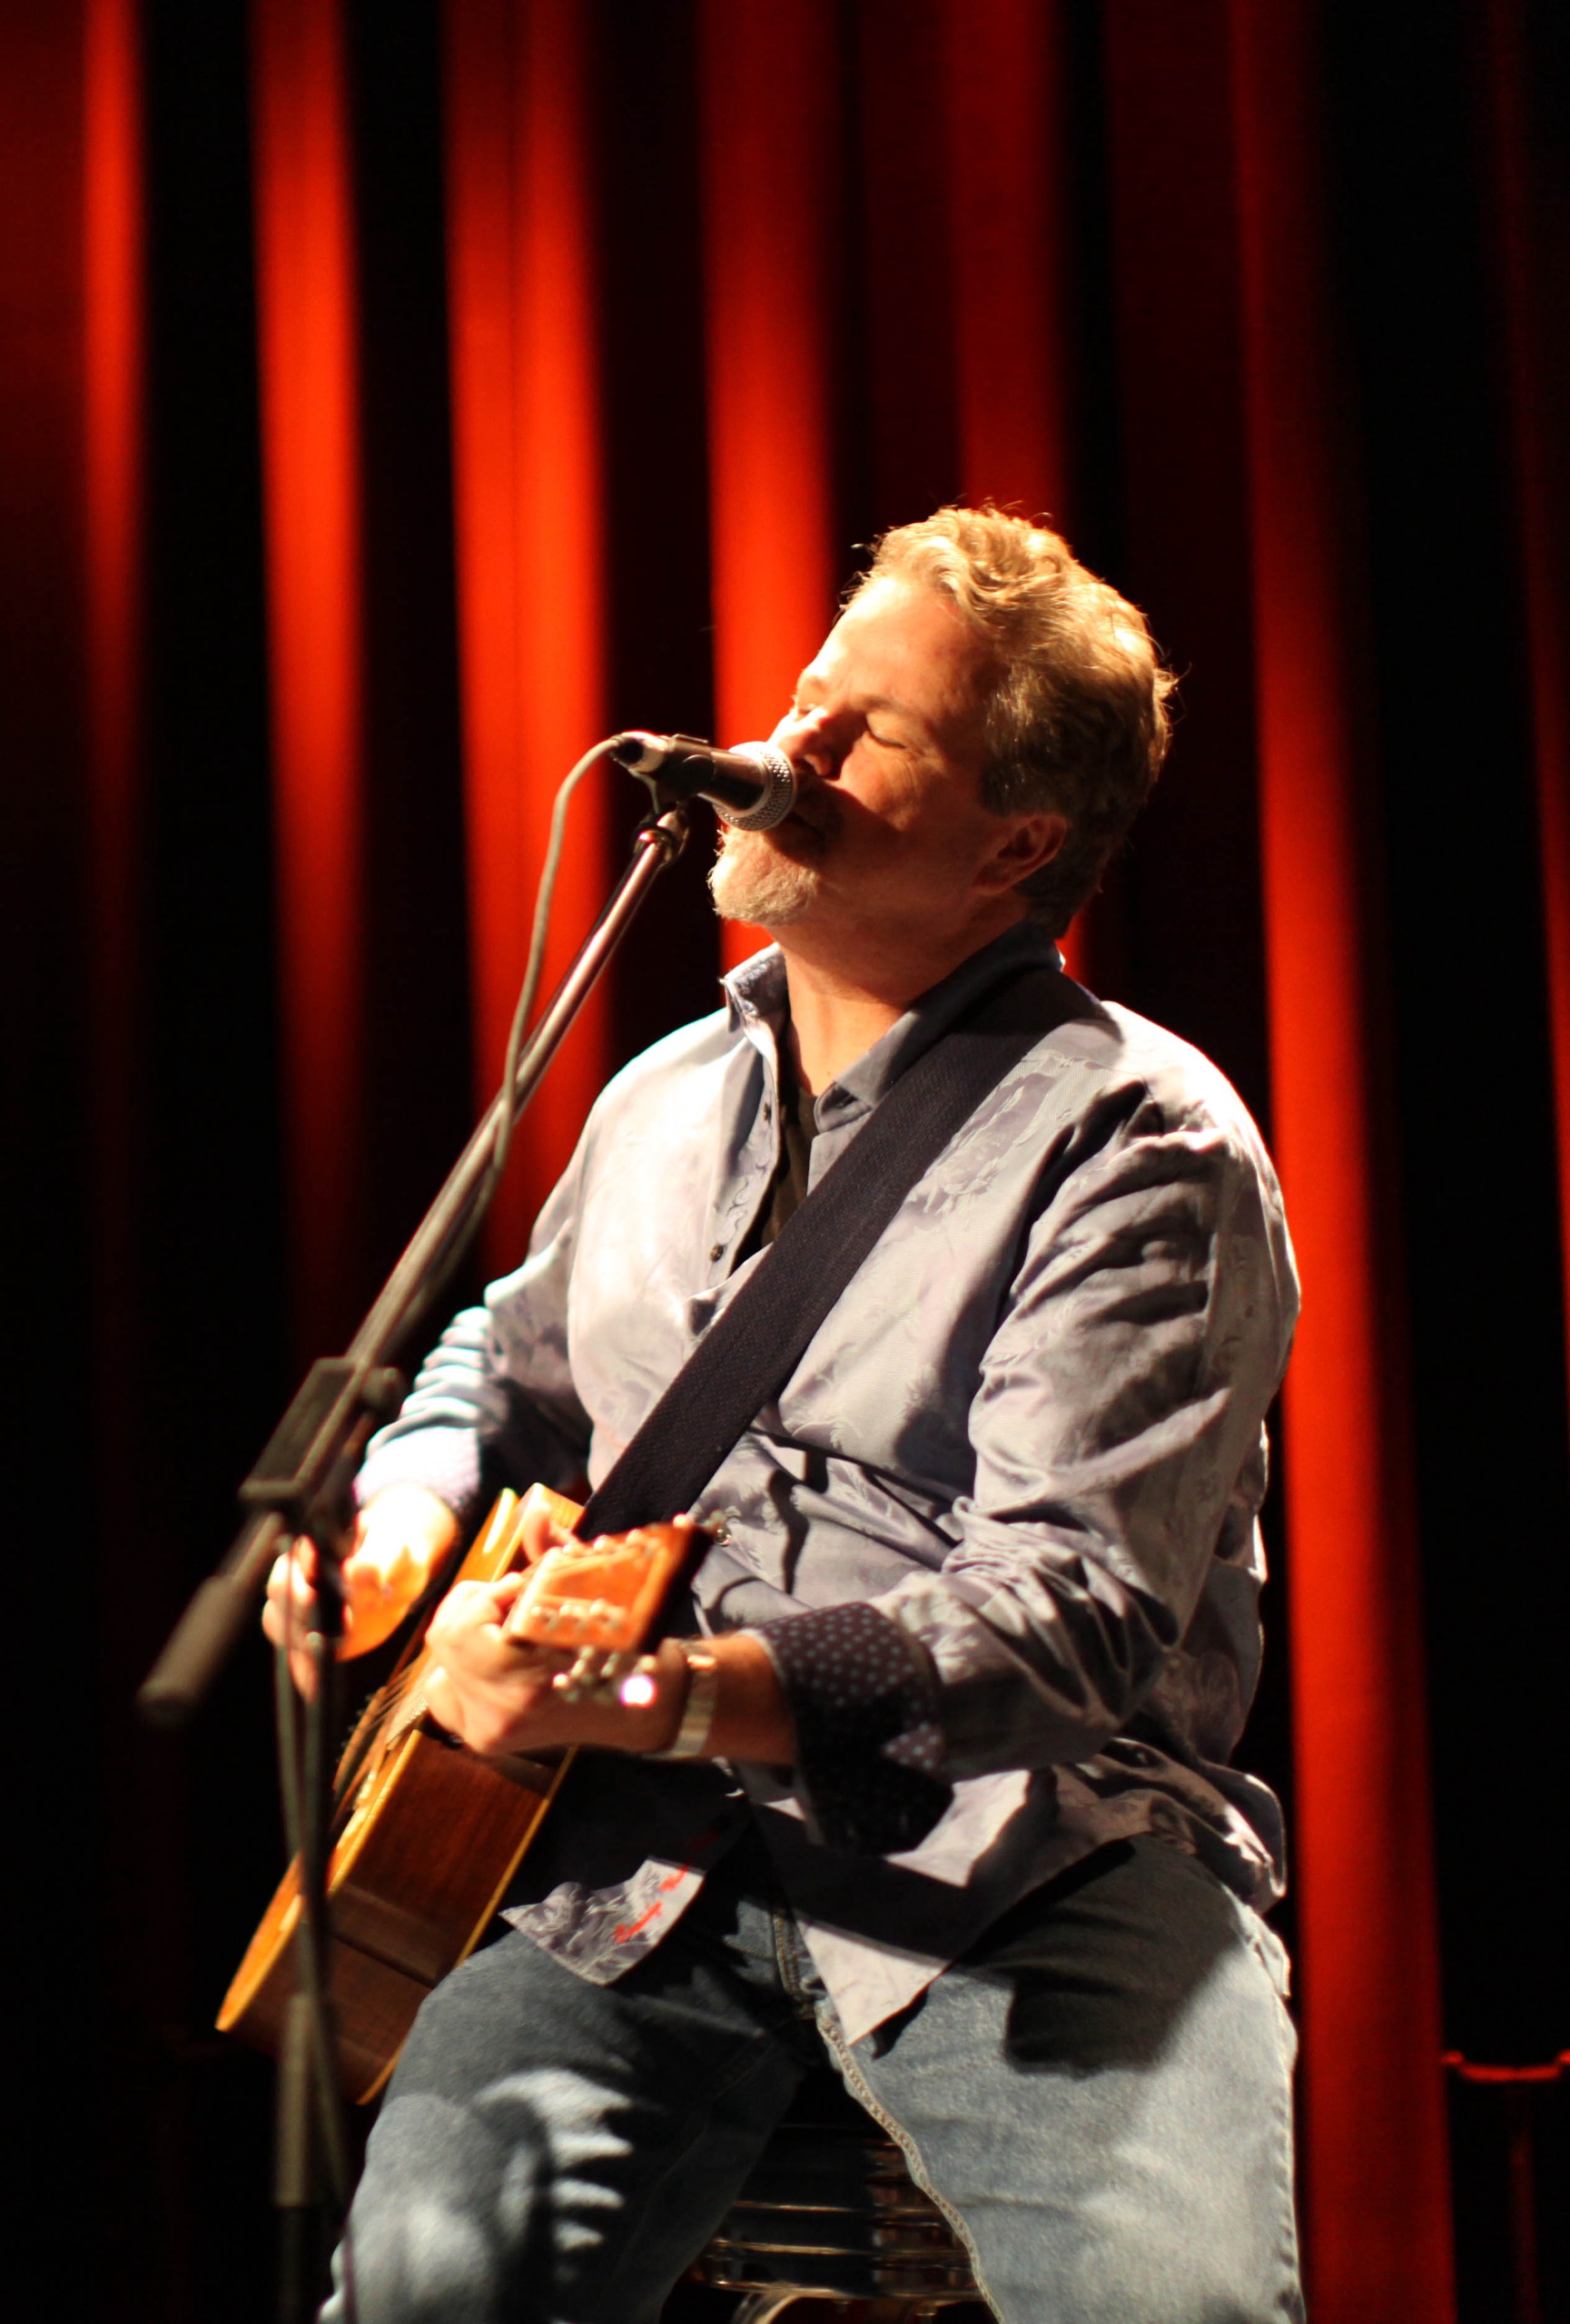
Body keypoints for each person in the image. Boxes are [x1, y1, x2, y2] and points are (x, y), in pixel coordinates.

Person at [267, 506, 1303, 2324]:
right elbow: (507, 1363)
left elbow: (1065, 1608)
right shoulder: (664, 1096)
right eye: (808, 694)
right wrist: (406, 1515)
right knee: (423, 2288)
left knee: (1175, 2302)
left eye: (867, 728)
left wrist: (665, 1693)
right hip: (640, 1863)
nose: (786, 746)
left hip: (1025, 1853)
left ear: (1016, 842)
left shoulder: (1140, 1138)